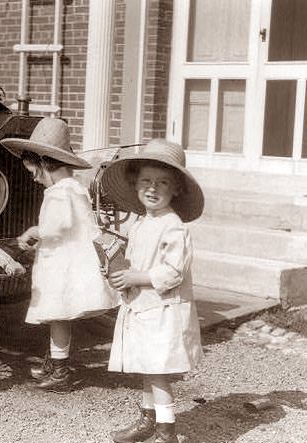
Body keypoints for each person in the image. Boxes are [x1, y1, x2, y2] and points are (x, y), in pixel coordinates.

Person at [0, 117, 119, 392]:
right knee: (59, 317)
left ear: (45, 163)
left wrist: (33, 231)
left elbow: (57, 227)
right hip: (73, 261)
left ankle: (60, 370)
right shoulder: (75, 187)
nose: (34, 177)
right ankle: (55, 363)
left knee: (58, 316)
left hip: (63, 266)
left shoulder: (58, 192)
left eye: (34, 171)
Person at [103, 139, 204, 443]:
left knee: (158, 371)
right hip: (143, 307)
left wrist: (136, 276)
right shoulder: (141, 223)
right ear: (135, 185)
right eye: (145, 181)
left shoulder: (174, 226)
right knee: (147, 366)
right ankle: (149, 419)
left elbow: (172, 272)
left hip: (163, 309)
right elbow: (136, 260)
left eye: (162, 183)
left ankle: (167, 431)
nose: (152, 188)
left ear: (177, 189)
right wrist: (116, 269)